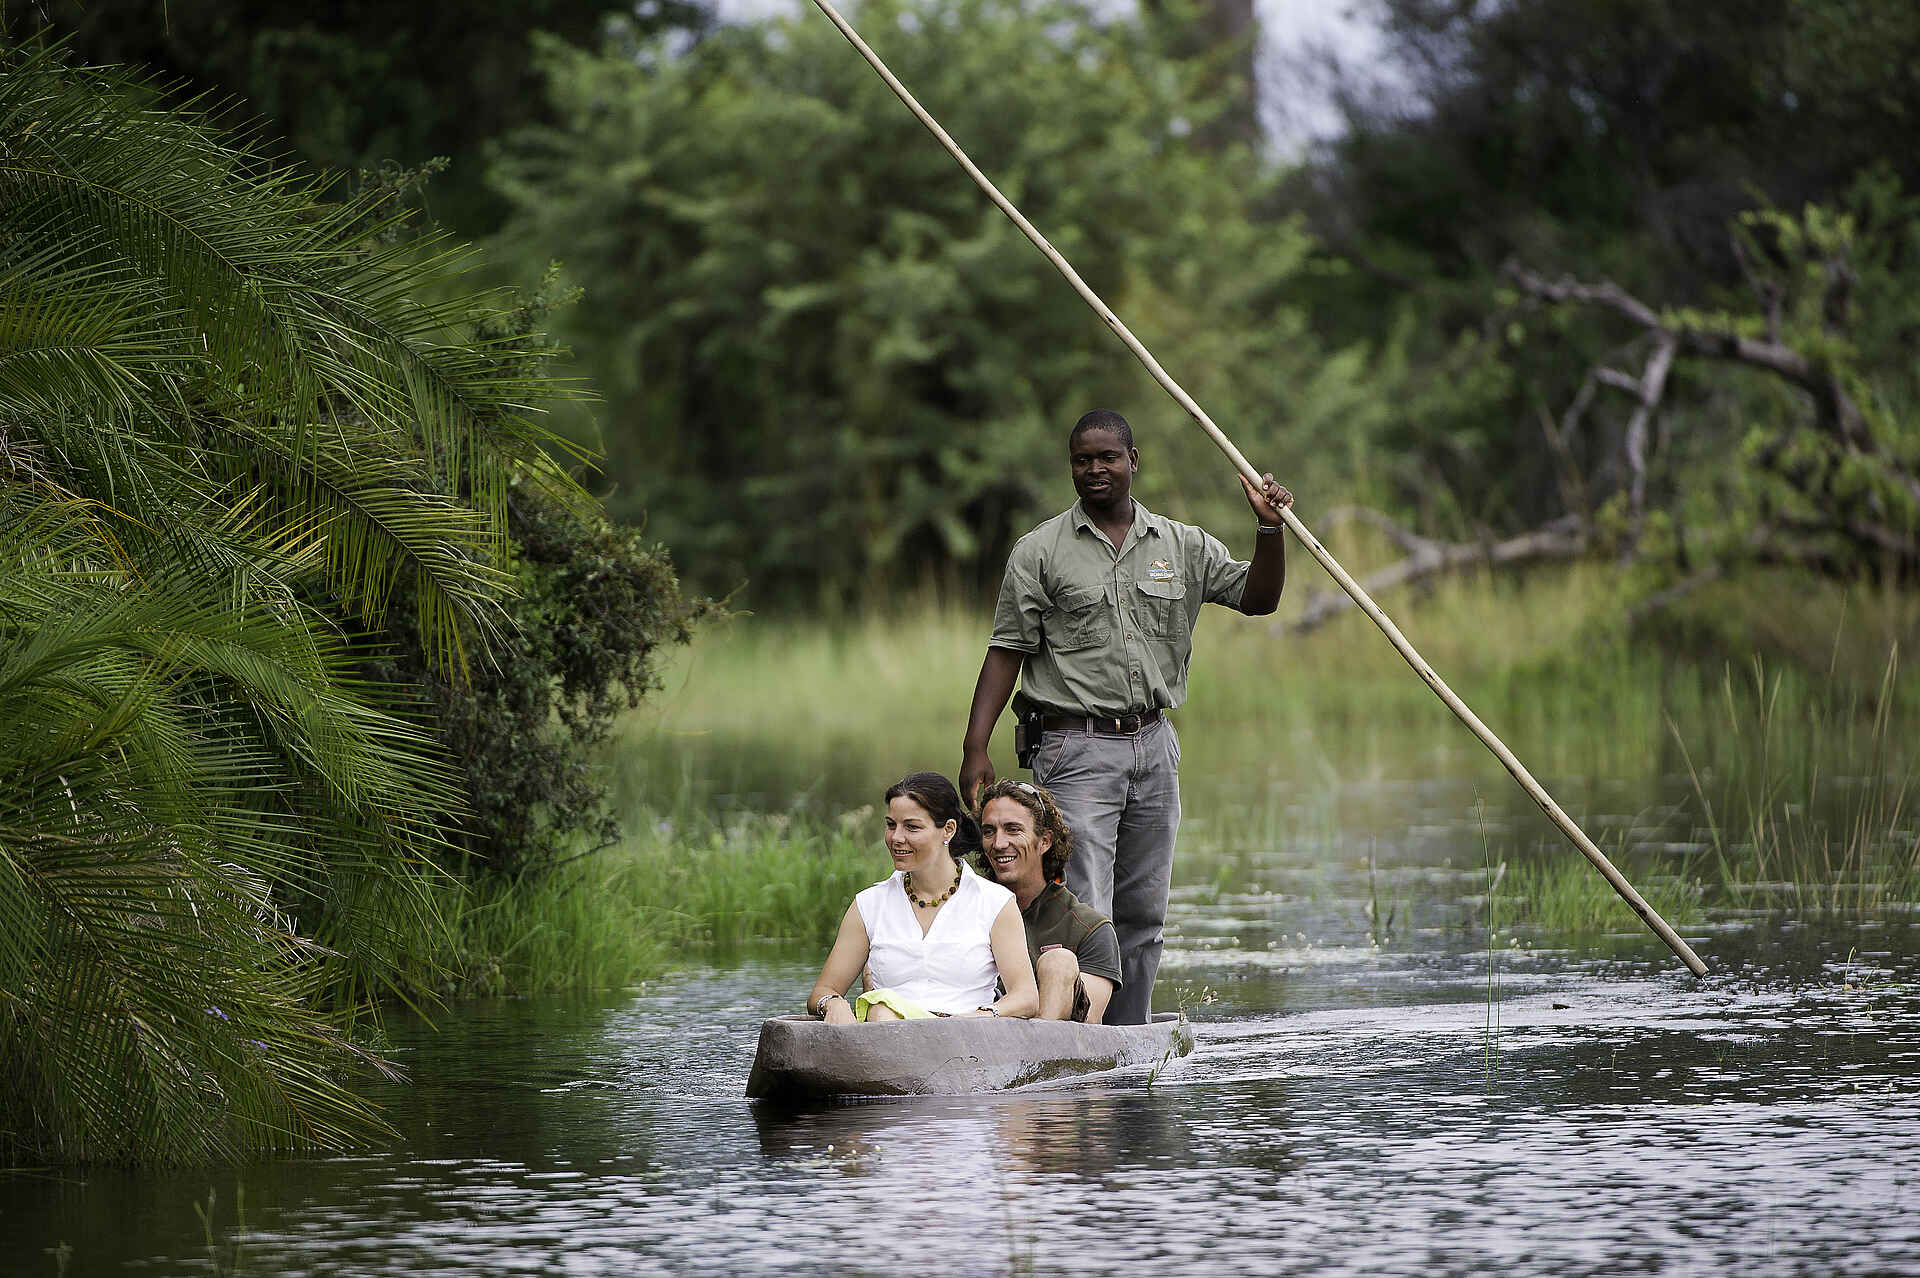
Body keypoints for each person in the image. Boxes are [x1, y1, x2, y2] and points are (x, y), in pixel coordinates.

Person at [960, 409, 1291, 1024]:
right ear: (1072, 468)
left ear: (1133, 461)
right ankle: (1072, 1040)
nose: (1095, 469)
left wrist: (1269, 531)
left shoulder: (1182, 545)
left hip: (1154, 744)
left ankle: (1125, 1040)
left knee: (1144, 909)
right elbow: (1006, 650)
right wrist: (974, 747)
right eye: (1083, 459)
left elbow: (1259, 599)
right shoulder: (1040, 551)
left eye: (1108, 457)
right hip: (1073, 748)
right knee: (1085, 907)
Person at [807, 771, 1039, 1023]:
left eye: (912, 827)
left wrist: (975, 1016)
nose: (896, 838)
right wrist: (833, 1004)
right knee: (881, 1012)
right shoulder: (869, 904)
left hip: (968, 1038)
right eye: (890, 825)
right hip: (885, 1032)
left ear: (948, 830)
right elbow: (822, 991)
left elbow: (1025, 997)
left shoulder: (995, 902)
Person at [975, 778, 1120, 1024]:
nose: (999, 844)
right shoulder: (962, 909)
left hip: (1055, 1048)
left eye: (1013, 829)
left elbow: (1089, 1030)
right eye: (989, 831)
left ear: (1045, 841)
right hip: (968, 1038)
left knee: (1058, 961)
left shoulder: (1090, 929)